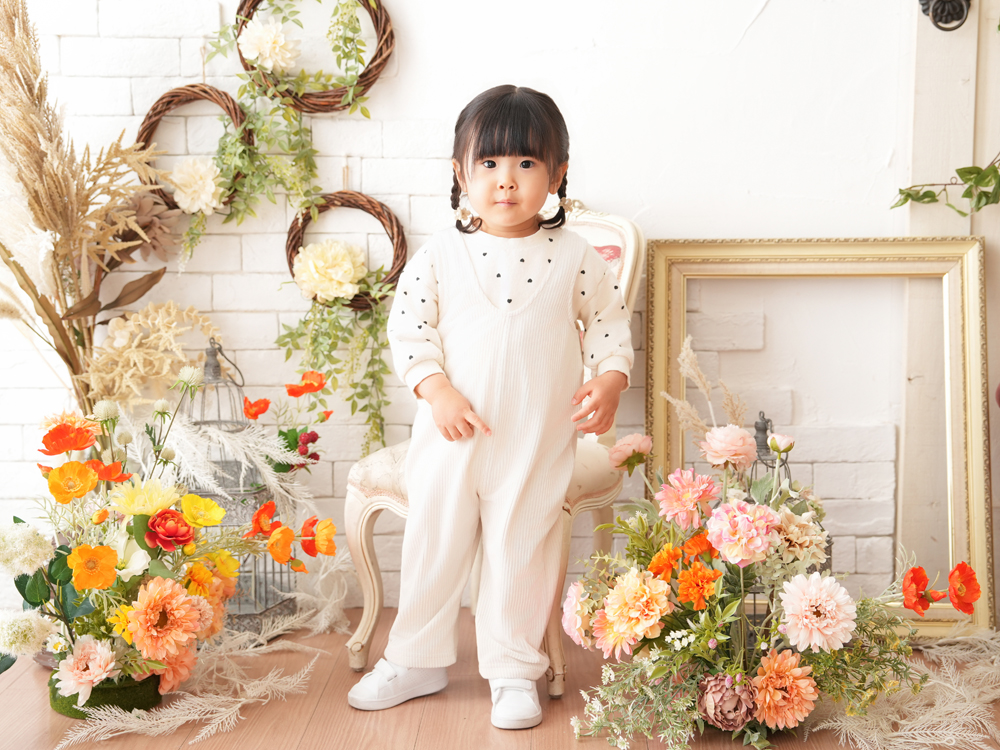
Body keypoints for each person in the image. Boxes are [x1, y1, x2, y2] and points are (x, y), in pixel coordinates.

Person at [347, 84, 634, 730]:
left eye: (527, 163)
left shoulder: (577, 258)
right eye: (490, 163)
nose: (507, 179)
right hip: (450, 441)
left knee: (520, 551)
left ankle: (513, 669)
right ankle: (414, 658)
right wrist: (437, 390)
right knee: (433, 545)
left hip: (535, 441)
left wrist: (610, 380)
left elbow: (609, 325)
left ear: (558, 174)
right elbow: (410, 331)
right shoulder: (440, 255)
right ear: (461, 173)